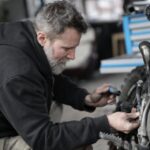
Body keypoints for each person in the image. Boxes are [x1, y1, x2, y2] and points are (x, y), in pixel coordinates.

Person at [0, 1, 139, 150]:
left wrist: (86, 99)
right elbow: (44, 138)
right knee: (79, 146)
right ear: (42, 38)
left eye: (74, 47)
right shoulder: (18, 74)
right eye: (66, 48)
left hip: (12, 113)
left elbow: (46, 74)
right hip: (4, 135)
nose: (72, 56)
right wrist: (106, 123)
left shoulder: (28, 33)